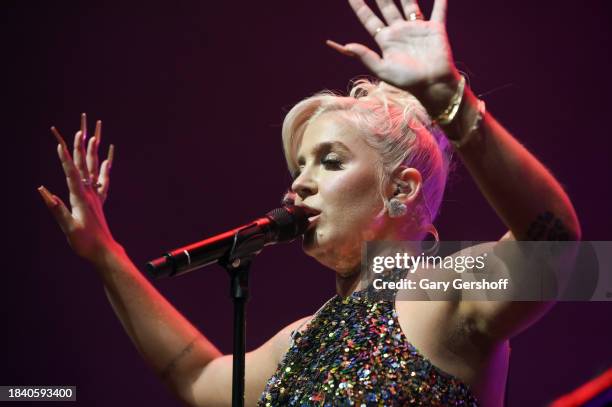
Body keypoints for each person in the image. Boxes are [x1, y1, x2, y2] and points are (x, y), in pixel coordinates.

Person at [37, 0, 580, 405]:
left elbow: (554, 245)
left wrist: (450, 102)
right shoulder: (301, 338)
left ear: (401, 189)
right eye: (298, 167)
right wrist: (103, 252)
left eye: (331, 160)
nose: (297, 184)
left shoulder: (447, 294)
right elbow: (196, 376)